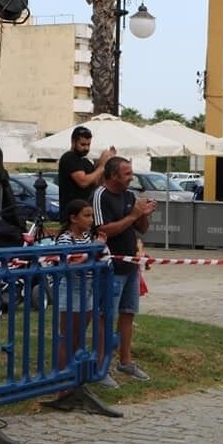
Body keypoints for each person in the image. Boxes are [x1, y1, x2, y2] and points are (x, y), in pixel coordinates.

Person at [92, 156, 157, 382]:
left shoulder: (130, 196)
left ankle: (125, 362)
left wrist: (144, 215)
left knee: (128, 312)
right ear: (113, 176)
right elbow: (103, 230)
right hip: (110, 266)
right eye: (127, 173)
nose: (132, 177)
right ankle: (101, 367)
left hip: (130, 265)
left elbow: (142, 229)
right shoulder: (101, 195)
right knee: (105, 316)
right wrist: (133, 215)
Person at [54, 199, 116, 389]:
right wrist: (93, 250)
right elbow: (68, 266)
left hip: (88, 287)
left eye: (92, 216)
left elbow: (95, 258)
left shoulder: (89, 236)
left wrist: (99, 249)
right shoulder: (66, 238)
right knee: (68, 336)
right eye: (86, 215)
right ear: (73, 218)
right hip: (72, 287)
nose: (91, 220)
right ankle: (62, 378)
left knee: (80, 335)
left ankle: (73, 375)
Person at [58, 126, 116, 212]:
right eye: (83, 144)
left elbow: (96, 182)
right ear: (73, 142)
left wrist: (105, 162)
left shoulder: (86, 161)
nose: (86, 148)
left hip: (88, 209)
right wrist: (102, 166)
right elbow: (83, 182)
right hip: (74, 214)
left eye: (88, 144)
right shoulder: (69, 157)